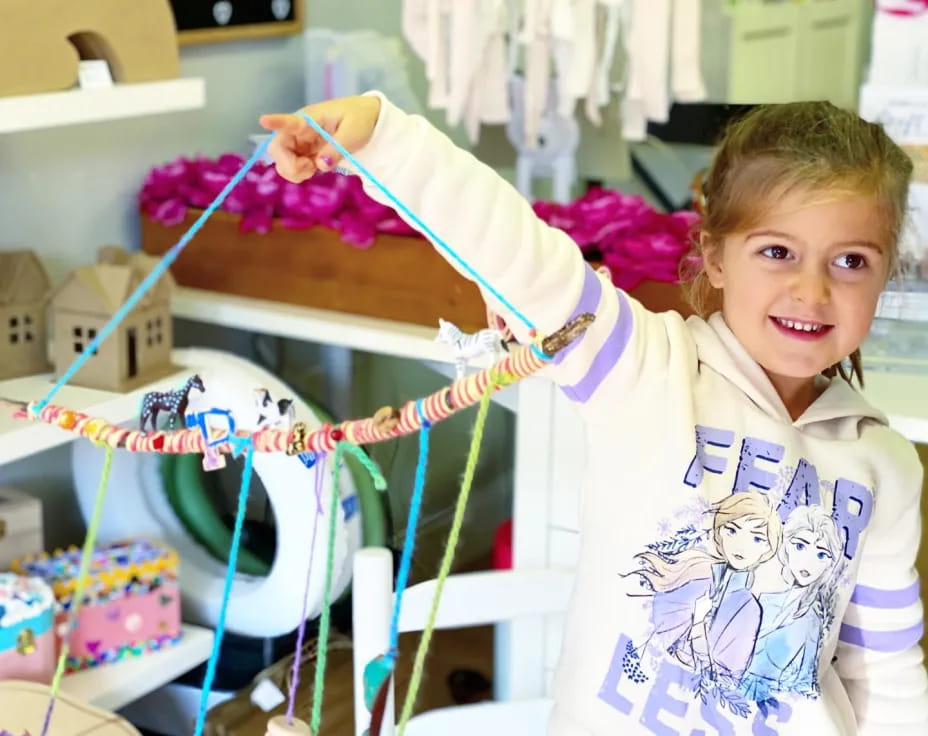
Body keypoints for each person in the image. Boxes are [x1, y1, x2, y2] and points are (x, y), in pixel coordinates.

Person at [259, 93, 928, 734]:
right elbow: (518, 253)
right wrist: (383, 135)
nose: (811, 291)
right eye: (777, 252)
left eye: (850, 261)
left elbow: (885, 671)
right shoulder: (646, 368)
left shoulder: (887, 464)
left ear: (885, 275)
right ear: (717, 256)